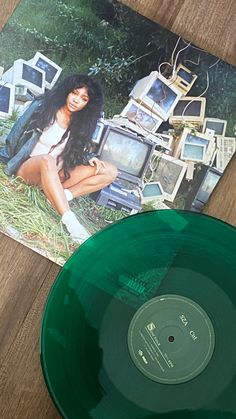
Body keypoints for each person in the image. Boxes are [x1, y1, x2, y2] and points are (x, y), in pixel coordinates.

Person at [0, 74, 117, 243]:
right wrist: (7, 162)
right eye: (74, 94)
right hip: (29, 168)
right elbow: (15, 134)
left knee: (110, 170)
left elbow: (76, 150)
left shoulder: (82, 123)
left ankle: (59, 196)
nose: (76, 100)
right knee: (47, 160)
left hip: (55, 174)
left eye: (83, 99)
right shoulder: (43, 106)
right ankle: (71, 223)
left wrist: (89, 157)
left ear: (88, 104)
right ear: (67, 91)